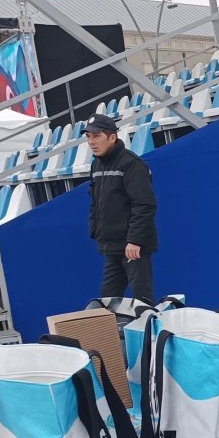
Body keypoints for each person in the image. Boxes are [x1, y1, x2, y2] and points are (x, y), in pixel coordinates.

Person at [84, 112, 158, 306]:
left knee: (142, 301)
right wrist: (96, 231)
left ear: (112, 137)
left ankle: (148, 335)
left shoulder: (132, 164)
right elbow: (95, 202)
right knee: (106, 302)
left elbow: (144, 204)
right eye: (88, 137)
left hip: (133, 247)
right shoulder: (96, 165)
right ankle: (109, 337)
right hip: (111, 246)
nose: (92, 142)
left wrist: (134, 240)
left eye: (97, 136)